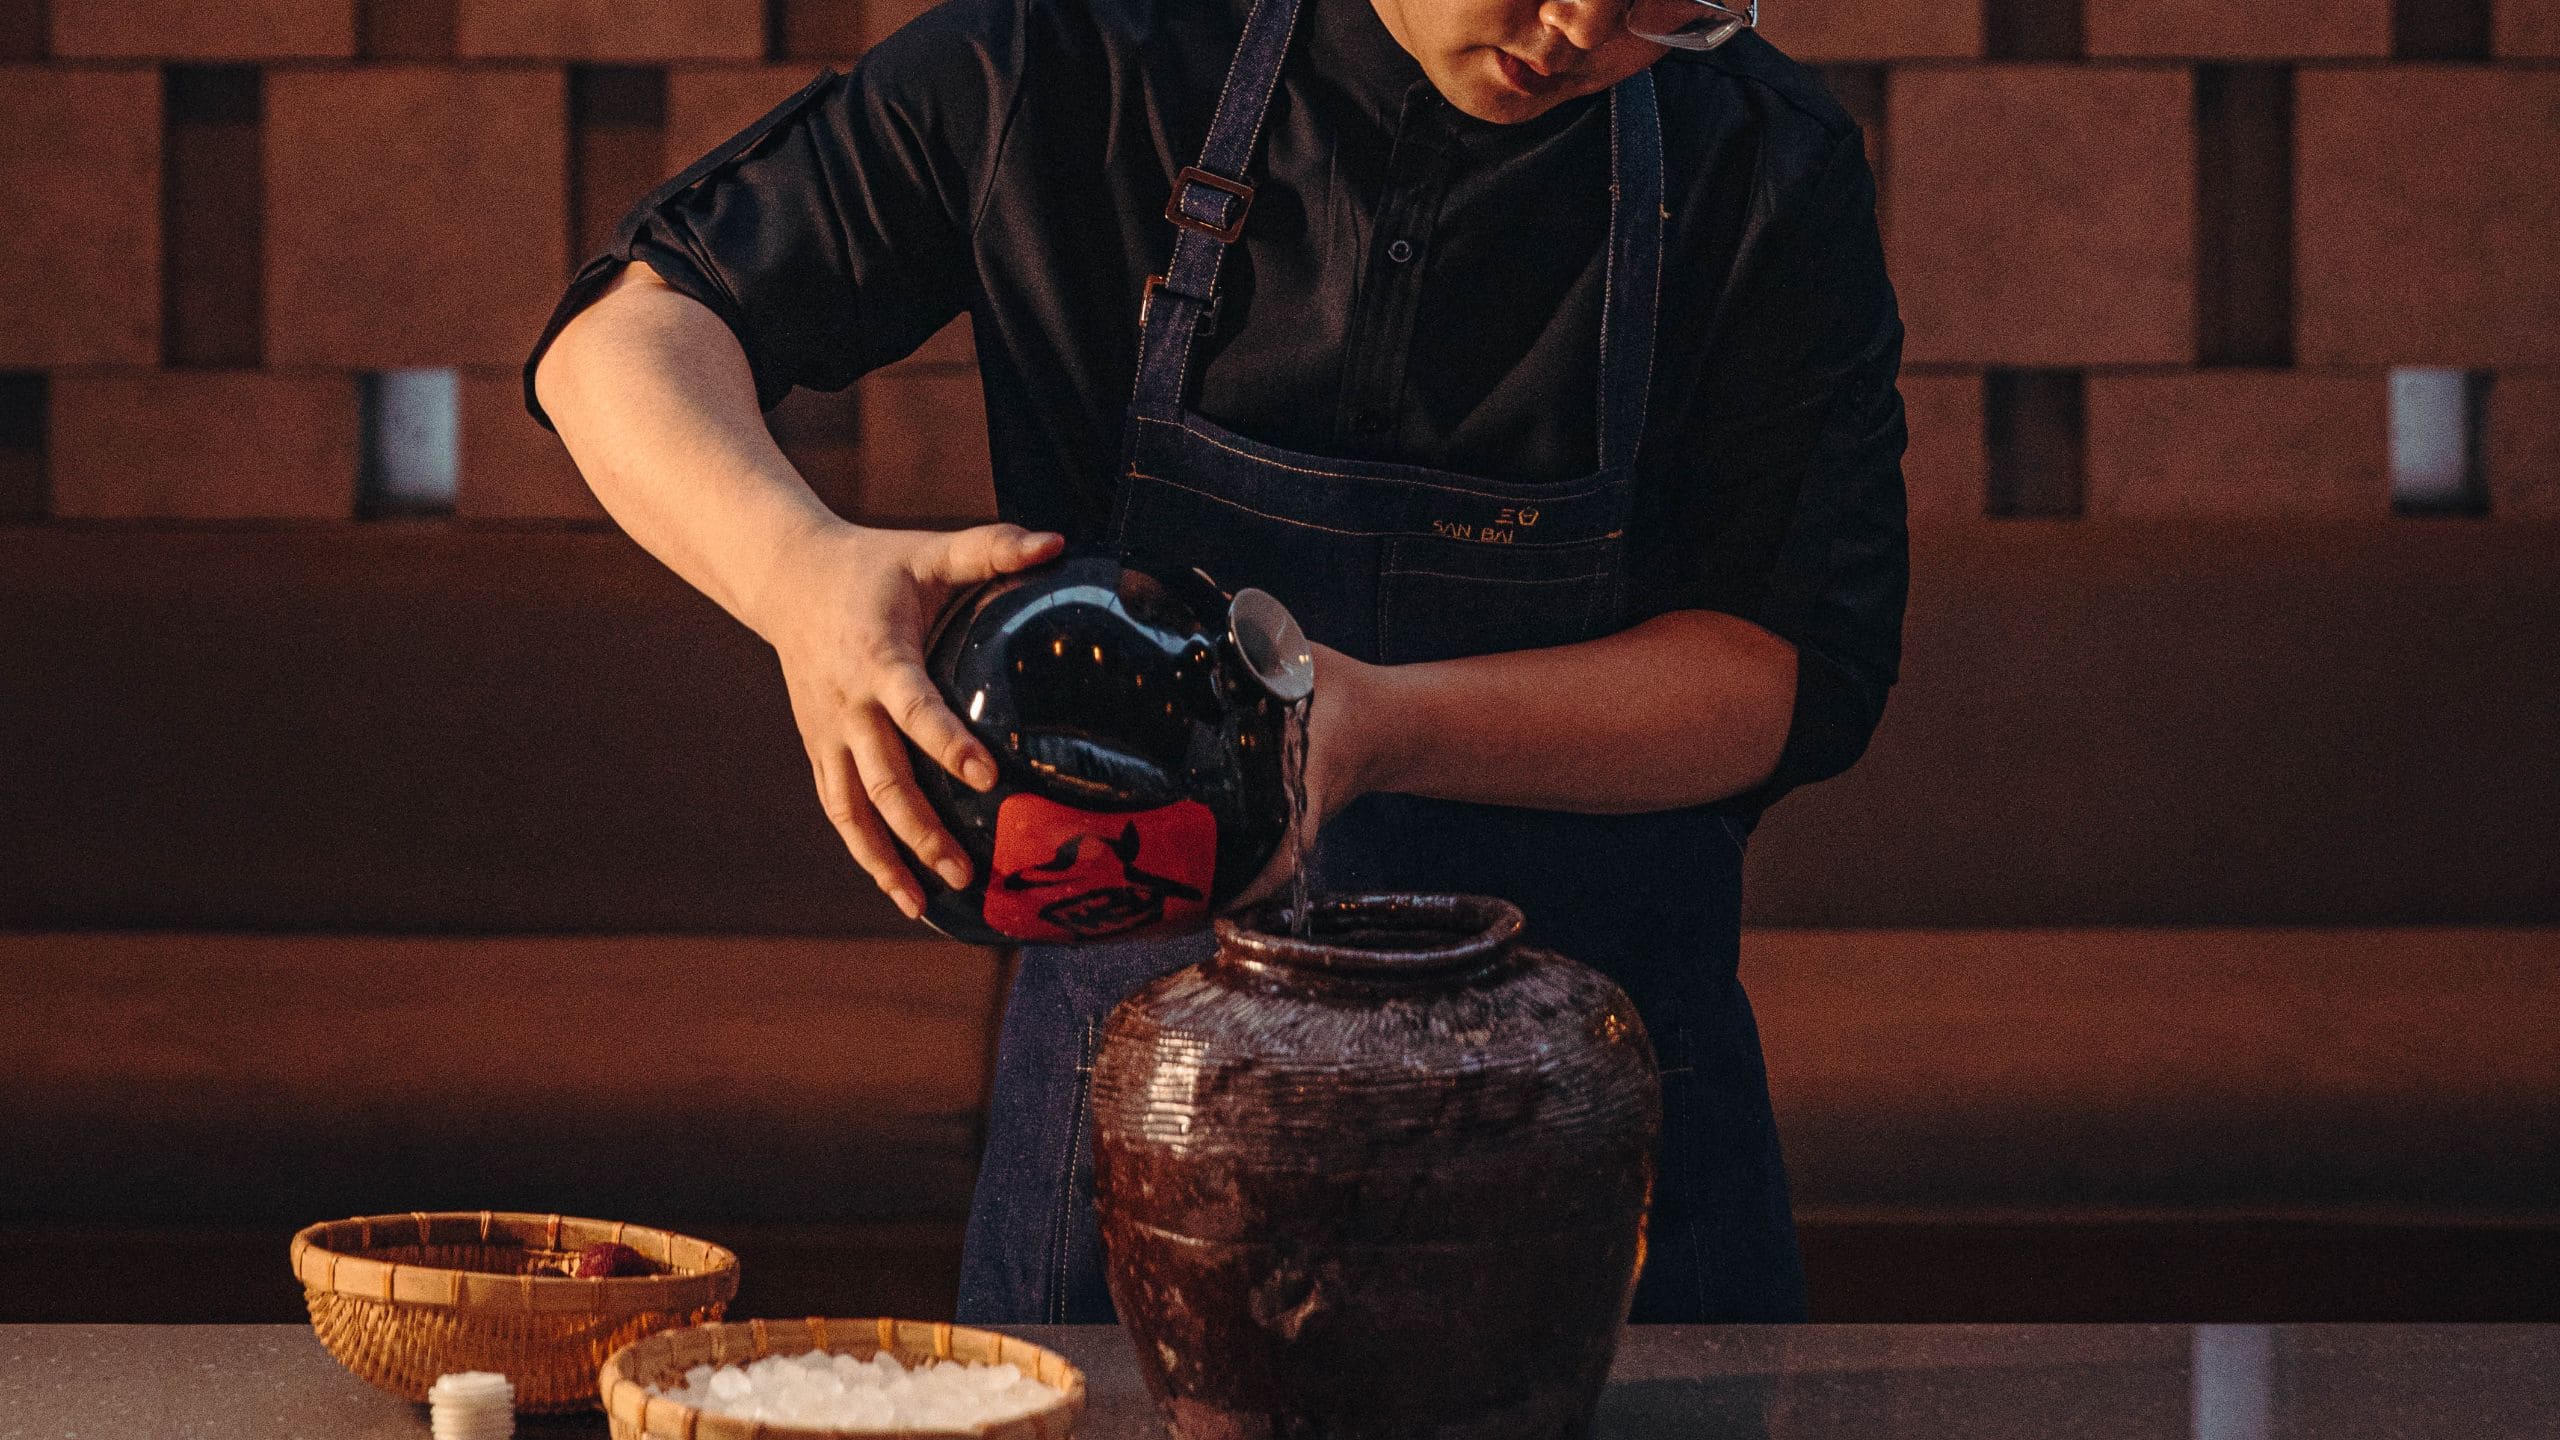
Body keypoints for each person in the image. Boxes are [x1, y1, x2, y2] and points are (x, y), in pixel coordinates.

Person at [526, 0, 1908, 1325]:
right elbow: (624, 339)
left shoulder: (1758, 160)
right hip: (1151, 1102)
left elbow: (1784, 673)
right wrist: (798, 572)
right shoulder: (1073, 57)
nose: (1587, 28)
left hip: (1599, 1110)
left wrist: (1377, 724)